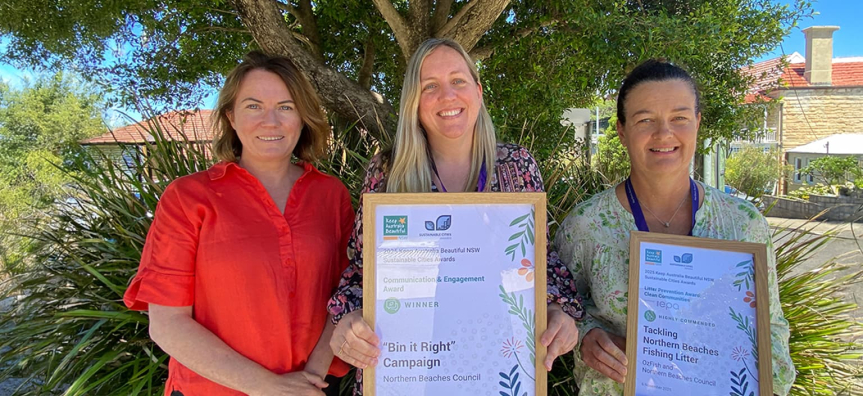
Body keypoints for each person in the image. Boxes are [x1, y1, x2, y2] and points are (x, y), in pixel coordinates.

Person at [325, 38, 585, 394]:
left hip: (494, 368)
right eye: (430, 86)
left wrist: (560, 311)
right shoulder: (388, 172)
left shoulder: (517, 167)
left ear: (478, 91)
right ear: (414, 104)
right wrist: (347, 322)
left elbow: (540, 261)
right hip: (406, 369)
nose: (448, 96)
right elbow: (361, 270)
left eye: (458, 81)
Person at [554, 59, 795, 395]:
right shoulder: (585, 226)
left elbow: (771, 330)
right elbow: (560, 309)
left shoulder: (742, 225)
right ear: (622, 131)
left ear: (697, 122)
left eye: (679, 118)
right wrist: (587, 336)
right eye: (645, 120)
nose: (664, 133)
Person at [123, 51, 353, 396]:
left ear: (303, 117)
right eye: (253, 106)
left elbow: (347, 296)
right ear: (231, 116)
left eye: (286, 107)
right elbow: (167, 324)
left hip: (313, 388)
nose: (271, 121)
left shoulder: (331, 195)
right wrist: (267, 387)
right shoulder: (188, 198)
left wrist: (311, 379)